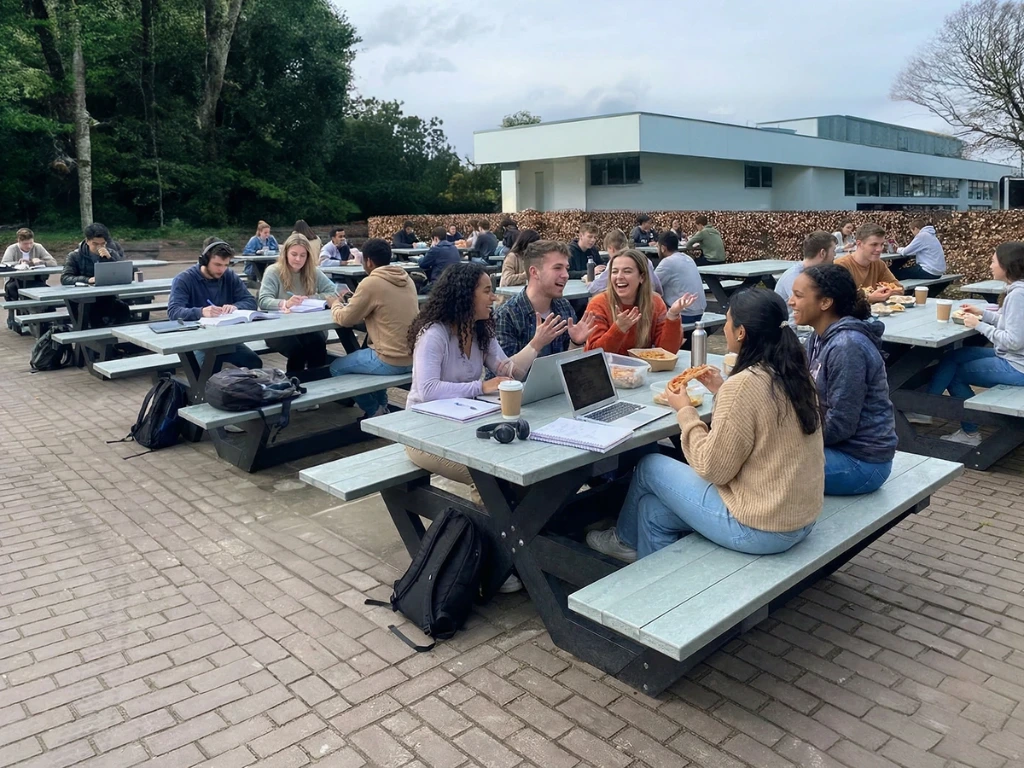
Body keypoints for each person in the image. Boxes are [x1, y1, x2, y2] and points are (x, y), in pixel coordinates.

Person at [587, 289, 824, 561]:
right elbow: (761, 415)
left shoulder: (745, 384)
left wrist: (685, 411)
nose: (724, 327)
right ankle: (659, 586)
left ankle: (623, 540)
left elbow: (713, 468)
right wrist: (721, 390)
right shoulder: (795, 373)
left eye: (727, 321)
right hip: (799, 517)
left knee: (650, 466)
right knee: (651, 510)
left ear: (741, 333)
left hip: (762, 526)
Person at [406, 263, 565, 596]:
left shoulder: (481, 331)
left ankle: (526, 543)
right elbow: (427, 389)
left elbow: (507, 370)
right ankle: (494, 561)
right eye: (485, 291)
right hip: (423, 435)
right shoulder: (433, 333)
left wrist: (535, 345)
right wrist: (481, 387)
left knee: (515, 468)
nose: (493, 297)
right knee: (487, 475)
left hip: (465, 425)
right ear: (465, 296)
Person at [789, 265, 897, 495]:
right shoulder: (818, 338)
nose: (790, 302)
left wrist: (788, 438)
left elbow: (841, 424)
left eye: (798, 296)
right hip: (835, 449)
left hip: (861, 462)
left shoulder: (847, 346)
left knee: (763, 468)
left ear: (825, 302)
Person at [917, 242, 1024, 446]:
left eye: (993, 261)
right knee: (953, 356)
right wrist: (983, 314)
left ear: (1007, 265)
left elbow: (1014, 340)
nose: (990, 265)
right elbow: (1012, 324)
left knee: (955, 375)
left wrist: (979, 325)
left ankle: (970, 433)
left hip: (1018, 366)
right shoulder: (1018, 290)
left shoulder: (1018, 295)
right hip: (1013, 358)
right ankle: (925, 407)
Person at [327, 239, 419, 417]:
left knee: (336, 367)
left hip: (390, 360)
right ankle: (383, 406)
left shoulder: (371, 283)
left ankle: (374, 410)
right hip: (413, 357)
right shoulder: (406, 278)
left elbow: (346, 319)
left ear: (368, 261)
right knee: (370, 357)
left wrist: (335, 304)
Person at [168, 237, 262, 373]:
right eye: (217, 264)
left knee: (255, 362)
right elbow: (173, 312)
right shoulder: (184, 279)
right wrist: (201, 312)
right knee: (207, 373)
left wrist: (236, 306)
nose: (222, 270)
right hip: (197, 341)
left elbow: (250, 301)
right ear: (204, 260)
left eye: (226, 265)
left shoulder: (229, 276)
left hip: (226, 339)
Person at [494, 240, 597, 358]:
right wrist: (535, 345)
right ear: (534, 272)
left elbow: (566, 367)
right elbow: (500, 374)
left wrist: (576, 343)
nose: (566, 275)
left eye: (566, 268)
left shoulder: (564, 307)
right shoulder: (507, 316)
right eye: (557, 268)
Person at [257, 233, 338, 374]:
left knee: (318, 345)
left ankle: (318, 383)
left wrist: (312, 298)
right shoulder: (273, 271)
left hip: (308, 325)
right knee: (298, 351)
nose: (298, 259)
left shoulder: (313, 271)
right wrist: (285, 303)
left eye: (303, 255)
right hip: (277, 329)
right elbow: (263, 300)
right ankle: (295, 384)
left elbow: (334, 292)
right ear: (285, 253)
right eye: (294, 254)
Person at [584, 249, 691, 355]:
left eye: (627, 271)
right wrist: (619, 329)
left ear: (642, 277)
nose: (619, 277)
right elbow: (595, 355)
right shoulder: (598, 304)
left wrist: (672, 316)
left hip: (643, 370)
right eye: (614, 272)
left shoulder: (655, 302)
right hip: (608, 370)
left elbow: (667, 352)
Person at [61, 223, 130, 328]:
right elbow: (65, 278)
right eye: (95, 244)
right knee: (93, 314)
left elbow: (122, 273)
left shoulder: (111, 253)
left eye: (102, 244)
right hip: (82, 300)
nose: (99, 247)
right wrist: (87, 280)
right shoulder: (74, 256)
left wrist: (110, 259)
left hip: (106, 297)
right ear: (87, 241)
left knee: (123, 309)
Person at [775, 231, 837, 324]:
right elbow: (802, 310)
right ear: (823, 253)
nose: (835, 255)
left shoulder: (816, 273)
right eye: (833, 251)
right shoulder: (794, 277)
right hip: (793, 331)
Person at [834, 223, 902, 303]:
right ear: (859, 244)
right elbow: (839, 301)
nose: (879, 249)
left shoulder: (878, 264)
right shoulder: (841, 266)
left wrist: (886, 292)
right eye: (874, 244)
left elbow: (899, 289)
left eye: (882, 244)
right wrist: (868, 298)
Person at [587, 229, 664, 296]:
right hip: (648, 302)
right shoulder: (646, 260)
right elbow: (658, 288)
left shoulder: (615, 262)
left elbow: (594, 288)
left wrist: (589, 281)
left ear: (611, 248)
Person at [4, 228, 56, 325]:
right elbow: (4, 264)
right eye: (25, 244)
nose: (29, 246)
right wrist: (17, 264)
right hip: (15, 281)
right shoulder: (12, 249)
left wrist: (41, 262)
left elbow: (53, 263)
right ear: (19, 241)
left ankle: (46, 320)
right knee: (11, 291)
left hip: (35, 280)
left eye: (31, 243)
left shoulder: (38, 247)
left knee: (47, 293)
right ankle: (14, 317)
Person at [654, 231, 705, 323]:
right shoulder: (688, 258)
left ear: (663, 248)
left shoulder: (667, 262)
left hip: (684, 314)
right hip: (699, 312)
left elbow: (650, 285)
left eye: (657, 247)